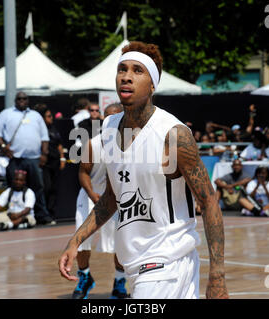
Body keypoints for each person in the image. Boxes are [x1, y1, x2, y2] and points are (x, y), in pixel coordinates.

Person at [59, 41, 228, 299]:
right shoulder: (108, 128)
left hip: (166, 265)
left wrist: (217, 276)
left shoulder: (174, 134)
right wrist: (77, 239)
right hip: (139, 267)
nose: (126, 76)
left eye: (138, 70)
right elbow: (113, 198)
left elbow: (208, 201)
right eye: (122, 69)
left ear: (152, 85)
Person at [72, 103, 128, 299]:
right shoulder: (92, 144)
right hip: (90, 196)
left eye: (115, 119)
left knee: (121, 242)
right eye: (107, 119)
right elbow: (83, 173)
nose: (110, 123)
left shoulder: (131, 144)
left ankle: (120, 282)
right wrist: (92, 195)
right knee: (81, 241)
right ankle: (84, 277)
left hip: (118, 200)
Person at [0, 91, 53, 225]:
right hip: (15, 158)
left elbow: (44, 137)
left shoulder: (35, 115)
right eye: (19, 98)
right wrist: (3, 146)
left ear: (28, 100)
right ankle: (13, 214)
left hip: (34, 157)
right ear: (15, 100)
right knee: (14, 186)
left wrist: (44, 154)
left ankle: (41, 215)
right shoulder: (6, 113)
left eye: (24, 98)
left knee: (38, 187)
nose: (22, 100)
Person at [40, 106, 65, 223]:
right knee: (46, 187)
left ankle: (52, 213)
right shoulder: (40, 129)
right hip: (45, 163)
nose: (51, 118)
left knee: (54, 188)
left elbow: (59, 144)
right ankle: (44, 213)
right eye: (49, 116)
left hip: (55, 161)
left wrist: (62, 158)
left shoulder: (54, 129)